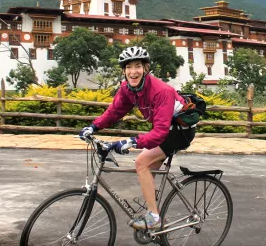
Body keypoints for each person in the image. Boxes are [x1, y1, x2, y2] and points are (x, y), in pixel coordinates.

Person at [79, 46, 195, 230]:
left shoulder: (161, 91)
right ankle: (155, 213)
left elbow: (160, 132)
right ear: (124, 70)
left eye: (138, 66)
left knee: (141, 163)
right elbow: (115, 111)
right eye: (129, 67)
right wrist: (93, 127)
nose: (133, 71)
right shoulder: (127, 88)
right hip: (165, 130)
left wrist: (131, 142)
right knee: (146, 170)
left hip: (179, 131)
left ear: (145, 69)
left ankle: (154, 219)